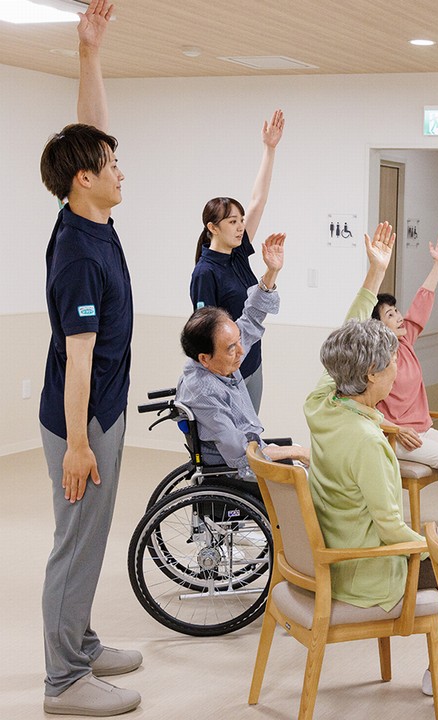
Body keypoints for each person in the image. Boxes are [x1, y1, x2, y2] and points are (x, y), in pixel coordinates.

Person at [37, 2, 142, 715]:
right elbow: (78, 361)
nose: (119, 168)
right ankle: (64, 681)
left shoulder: (90, 216)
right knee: (75, 544)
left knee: (88, 538)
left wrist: (89, 56)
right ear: (85, 180)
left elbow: (89, 136)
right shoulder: (77, 253)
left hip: (99, 408)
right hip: (83, 417)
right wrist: (79, 444)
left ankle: (79, 641)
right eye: (111, 166)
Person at [303, 224, 438, 703]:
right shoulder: (369, 441)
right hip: (367, 572)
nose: (398, 368)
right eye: (391, 363)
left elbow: (341, 344)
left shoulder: (321, 403)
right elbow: (393, 531)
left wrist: (375, 272)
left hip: (336, 549)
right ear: (371, 375)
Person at [178, 234, 308, 477]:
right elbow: (240, 452)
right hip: (238, 470)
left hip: (254, 451)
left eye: (239, 341)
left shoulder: (221, 357)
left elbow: (250, 318)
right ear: (204, 358)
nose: (240, 351)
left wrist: (271, 272)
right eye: (231, 347)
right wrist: (295, 452)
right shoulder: (202, 389)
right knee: (310, 469)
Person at [189, 109, 286, 413]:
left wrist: (269, 149)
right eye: (232, 221)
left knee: (251, 439)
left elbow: (258, 200)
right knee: (231, 446)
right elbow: (203, 333)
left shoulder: (239, 253)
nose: (240, 226)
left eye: (241, 220)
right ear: (212, 227)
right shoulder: (205, 272)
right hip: (226, 371)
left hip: (252, 360)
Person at [366, 230, 438, 468]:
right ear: (378, 326)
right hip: (397, 437)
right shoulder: (374, 360)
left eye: (397, 311)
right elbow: (360, 408)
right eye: (390, 315)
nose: (399, 317)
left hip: (423, 430)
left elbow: (422, 301)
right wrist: (395, 429)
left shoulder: (405, 341)